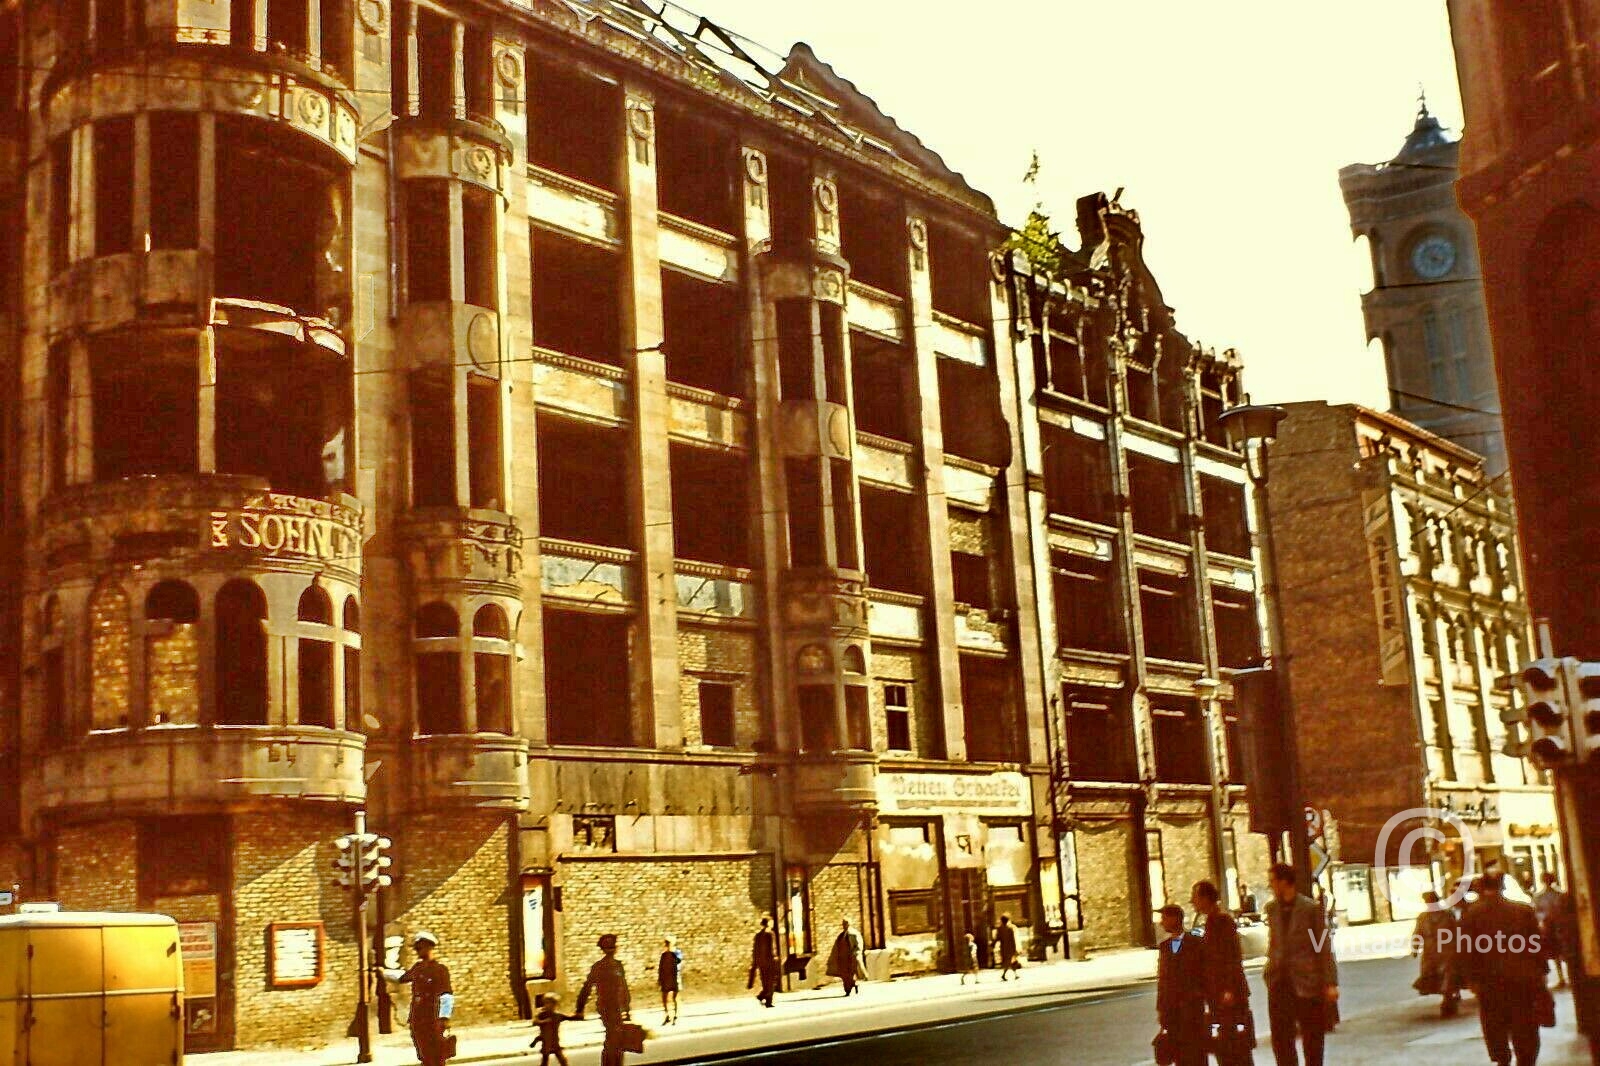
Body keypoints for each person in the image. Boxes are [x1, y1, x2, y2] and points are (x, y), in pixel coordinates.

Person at [1458, 873, 1548, 1066]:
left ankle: (1502, 1057)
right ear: (1502, 886)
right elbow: (1537, 944)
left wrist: (1470, 979)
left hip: (1489, 980)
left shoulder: (1471, 915)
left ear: (1481, 888)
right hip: (1522, 977)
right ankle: (1526, 1057)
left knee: (1494, 1021)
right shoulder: (1523, 910)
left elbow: (1466, 950)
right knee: (1524, 1020)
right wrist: (1541, 972)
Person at [1263, 863, 1338, 1066]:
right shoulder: (1272, 909)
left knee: (1312, 1035)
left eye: (1273, 882)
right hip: (1279, 981)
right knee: (1281, 1037)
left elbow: (1322, 946)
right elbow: (1274, 941)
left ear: (1285, 882)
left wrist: (1330, 982)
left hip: (1306, 981)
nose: (1271, 886)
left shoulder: (1309, 909)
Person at [1191, 879, 1255, 1066]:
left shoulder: (1222, 921)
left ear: (1205, 899)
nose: (1193, 902)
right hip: (1217, 994)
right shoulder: (1211, 921)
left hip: (1228, 995)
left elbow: (1231, 957)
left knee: (1235, 1043)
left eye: (1195, 898)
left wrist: (1229, 988)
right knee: (1224, 1043)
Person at [379, 931, 454, 1066]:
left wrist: (444, 1018)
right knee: (423, 1053)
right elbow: (402, 978)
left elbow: (446, 995)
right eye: (416, 948)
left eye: (420, 948)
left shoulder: (440, 970)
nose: (417, 951)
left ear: (429, 947)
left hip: (433, 1018)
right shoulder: (418, 968)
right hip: (418, 1019)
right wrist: (383, 973)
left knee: (437, 1056)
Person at [1154, 904, 1208, 1066]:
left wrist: (1199, 996)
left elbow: (1203, 974)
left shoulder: (1196, 943)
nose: (1162, 923)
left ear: (1175, 919)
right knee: (1179, 1055)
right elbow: (1163, 980)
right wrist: (1161, 1008)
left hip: (1191, 1009)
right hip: (1172, 1011)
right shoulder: (1164, 947)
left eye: (1164, 918)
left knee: (1196, 1053)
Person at [575, 933, 633, 1066]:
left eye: (613, 947)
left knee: (617, 1038)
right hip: (606, 1007)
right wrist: (580, 1008)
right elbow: (587, 987)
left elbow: (624, 987)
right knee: (613, 1037)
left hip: (617, 1007)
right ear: (604, 949)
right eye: (609, 947)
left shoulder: (618, 965)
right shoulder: (598, 967)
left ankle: (614, 1063)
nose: (612, 950)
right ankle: (609, 1063)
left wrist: (627, 1008)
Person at [1411, 891, 1461, 1016]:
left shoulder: (1447, 915)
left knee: (1447, 975)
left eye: (1432, 901)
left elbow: (1456, 932)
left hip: (1446, 950)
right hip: (1430, 952)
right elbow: (1418, 932)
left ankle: (1448, 998)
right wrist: (1415, 948)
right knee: (1432, 975)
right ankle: (1447, 995)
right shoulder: (1423, 917)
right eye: (1428, 902)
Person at [1533, 872, 1571, 989]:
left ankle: (1563, 977)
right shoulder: (1559, 895)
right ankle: (1563, 977)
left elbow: (1538, 912)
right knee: (1558, 952)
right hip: (1554, 926)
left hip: (1554, 926)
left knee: (1559, 952)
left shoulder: (1541, 896)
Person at [826, 919, 866, 996]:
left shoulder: (854, 934)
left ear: (849, 924)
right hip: (842, 958)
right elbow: (837, 946)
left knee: (850, 975)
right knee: (844, 976)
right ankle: (849, 988)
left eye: (846, 924)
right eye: (843, 924)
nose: (844, 925)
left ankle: (851, 987)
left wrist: (856, 954)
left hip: (850, 958)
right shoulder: (841, 935)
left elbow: (859, 945)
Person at [529, 993, 571, 1066]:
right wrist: (544, 1022)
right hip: (546, 1042)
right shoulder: (542, 1014)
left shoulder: (557, 1015)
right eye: (546, 1003)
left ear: (554, 1004)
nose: (547, 1005)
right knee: (545, 1061)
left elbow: (568, 1017)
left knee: (563, 1061)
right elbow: (534, 1022)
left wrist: (578, 1016)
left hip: (555, 1042)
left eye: (550, 1003)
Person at [749, 917, 781, 1007]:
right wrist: (775, 958)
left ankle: (765, 998)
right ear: (768, 923)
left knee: (765, 982)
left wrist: (755, 962)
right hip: (769, 961)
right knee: (771, 981)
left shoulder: (758, 935)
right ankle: (766, 999)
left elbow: (755, 950)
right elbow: (772, 948)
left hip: (761, 963)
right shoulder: (770, 934)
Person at [657, 937, 682, 1025]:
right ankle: (667, 1015)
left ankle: (675, 1015)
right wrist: (660, 979)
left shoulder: (676, 953)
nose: (667, 945)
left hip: (674, 978)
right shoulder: (664, 955)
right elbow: (661, 968)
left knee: (675, 997)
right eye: (666, 943)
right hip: (666, 978)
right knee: (664, 998)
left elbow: (678, 964)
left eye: (668, 943)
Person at [995, 914, 1022, 981]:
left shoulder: (1000, 928)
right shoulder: (1011, 928)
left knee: (1010, 962)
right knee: (1010, 962)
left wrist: (993, 944)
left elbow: (997, 938)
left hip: (1004, 948)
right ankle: (1005, 975)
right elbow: (1013, 939)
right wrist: (1016, 948)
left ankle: (1014, 975)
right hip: (1011, 948)